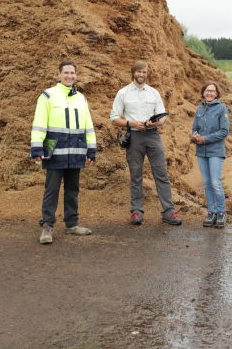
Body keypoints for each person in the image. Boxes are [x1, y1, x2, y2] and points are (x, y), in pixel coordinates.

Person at [30, 60, 96, 244]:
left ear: (76, 75)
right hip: (55, 151)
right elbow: (39, 122)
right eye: (66, 73)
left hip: (75, 150)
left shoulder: (81, 98)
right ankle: (47, 226)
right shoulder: (48, 96)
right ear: (59, 74)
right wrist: (36, 147)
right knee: (51, 189)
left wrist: (91, 149)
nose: (69, 76)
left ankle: (72, 224)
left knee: (72, 189)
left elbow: (88, 125)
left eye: (72, 73)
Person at [110, 60, 182, 226]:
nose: (141, 74)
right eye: (138, 72)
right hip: (134, 137)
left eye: (144, 72)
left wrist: (155, 123)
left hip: (153, 136)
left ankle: (169, 211)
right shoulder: (123, 93)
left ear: (147, 73)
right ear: (133, 72)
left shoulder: (153, 93)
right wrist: (132, 124)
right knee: (136, 175)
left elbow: (162, 116)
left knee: (161, 173)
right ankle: (136, 211)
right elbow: (114, 118)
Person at [191, 82, 230, 228]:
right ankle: (211, 212)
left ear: (217, 94)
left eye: (213, 91)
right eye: (207, 91)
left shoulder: (222, 109)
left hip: (215, 152)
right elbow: (194, 128)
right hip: (201, 152)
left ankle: (221, 213)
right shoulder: (199, 109)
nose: (210, 93)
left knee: (215, 183)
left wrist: (205, 139)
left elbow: (224, 132)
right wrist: (193, 136)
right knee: (207, 184)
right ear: (203, 93)